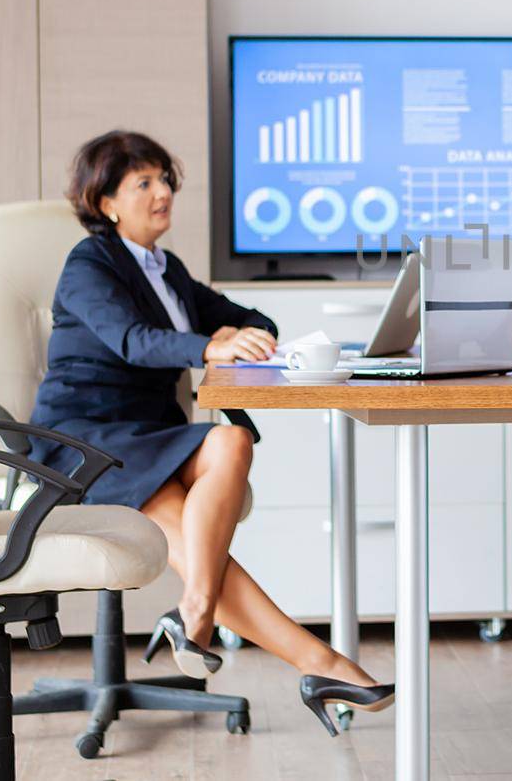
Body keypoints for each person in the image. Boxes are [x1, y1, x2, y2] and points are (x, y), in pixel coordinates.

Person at [30, 130, 392, 734]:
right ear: (106, 202)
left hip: (148, 435)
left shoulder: (165, 270)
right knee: (189, 538)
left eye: (164, 178)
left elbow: (251, 317)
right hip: (85, 439)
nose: (162, 191)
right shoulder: (90, 265)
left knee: (231, 439)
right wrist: (211, 345)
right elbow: (133, 342)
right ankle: (321, 664)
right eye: (142, 182)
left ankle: (196, 612)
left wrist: (245, 334)